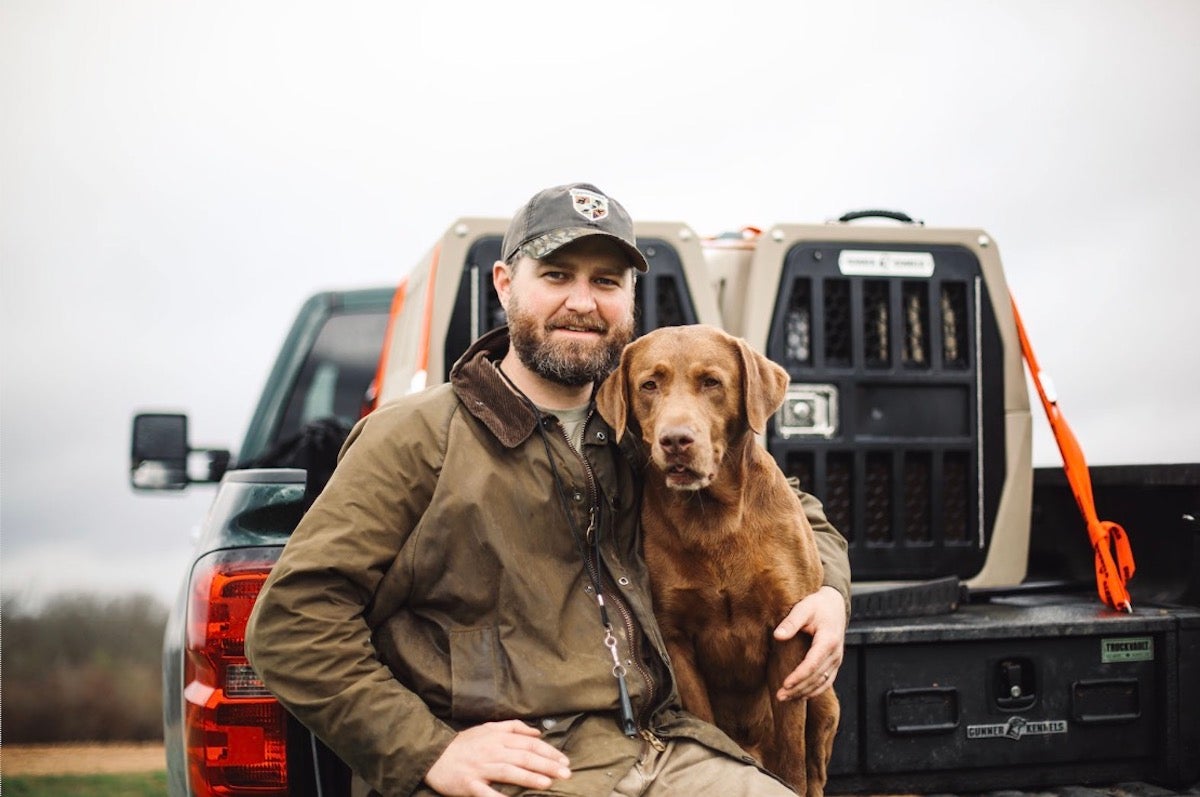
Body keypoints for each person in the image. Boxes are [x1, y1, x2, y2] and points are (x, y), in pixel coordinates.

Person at [245, 182, 852, 797]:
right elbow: (291, 620)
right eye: (557, 275)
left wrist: (828, 593)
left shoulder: (638, 431)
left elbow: (789, 508)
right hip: (506, 772)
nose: (583, 302)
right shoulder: (411, 438)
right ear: (506, 284)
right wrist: (426, 749)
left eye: (607, 282)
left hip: (659, 750)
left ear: (630, 300)